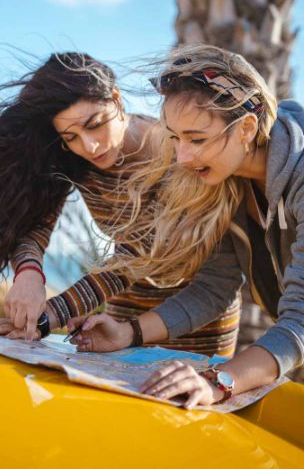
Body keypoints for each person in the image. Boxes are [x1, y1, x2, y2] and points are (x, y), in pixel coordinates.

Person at [0, 52, 240, 356]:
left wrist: (47, 318)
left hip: (197, 318)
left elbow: (136, 257)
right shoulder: (75, 160)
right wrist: (28, 273)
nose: (90, 146)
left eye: (96, 124)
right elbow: (35, 223)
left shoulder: (170, 154)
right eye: (71, 137)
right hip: (121, 318)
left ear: (117, 99)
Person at [68, 44, 304, 408]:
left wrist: (220, 381)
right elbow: (214, 288)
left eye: (196, 139)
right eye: (176, 139)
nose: (182, 157)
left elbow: (301, 321)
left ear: (246, 128)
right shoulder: (227, 181)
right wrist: (127, 333)